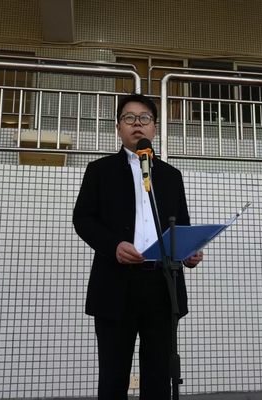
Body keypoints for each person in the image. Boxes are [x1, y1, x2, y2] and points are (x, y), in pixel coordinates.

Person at [73, 93, 203, 400]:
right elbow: (83, 219)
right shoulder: (99, 170)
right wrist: (113, 245)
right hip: (115, 283)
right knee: (113, 375)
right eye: (129, 118)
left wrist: (187, 252)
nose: (137, 124)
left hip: (161, 285)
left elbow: (180, 225)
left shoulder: (171, 176)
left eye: (145, 118)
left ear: (154, 128)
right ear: (118, 127)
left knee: (158, 376)